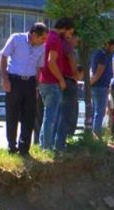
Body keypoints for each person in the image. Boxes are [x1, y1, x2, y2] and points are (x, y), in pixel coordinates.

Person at [0, 22, 48, 156]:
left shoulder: (42, 47)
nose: (44, 41)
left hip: (30, 82)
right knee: (12, 114)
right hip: (14, 80)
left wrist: (37, 87)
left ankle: (24, 148)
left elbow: (39, 67)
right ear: (33, 34)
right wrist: (5, 79)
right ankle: (11, 146)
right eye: (42, 38)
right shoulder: (16, 38)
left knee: (29, 115)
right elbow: (3, 56)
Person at [38, 17, 75, 150]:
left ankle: (44, 146)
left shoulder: (47, 37)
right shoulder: (54, 39)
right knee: (51, 118)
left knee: (48, 116)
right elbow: (50, 61)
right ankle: (46, 147)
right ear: (64, 29)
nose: (70, 36)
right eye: (70, 33)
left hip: (44, 81)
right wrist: (61, 79)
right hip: (52, 83)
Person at [54, 32, 80, 150]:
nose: (76, 43)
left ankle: (56, 142)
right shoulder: (68, 49)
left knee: (59, 114)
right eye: (76, 40)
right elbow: (71, 58)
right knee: (66, 115)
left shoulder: (59, 46)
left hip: (62, 82)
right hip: (68, 81)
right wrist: (75, 73)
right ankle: (60, 144)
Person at [90, 39, 114, 137]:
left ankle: (92, 134)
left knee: (95, 111)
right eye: (113, 47)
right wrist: (91, 83)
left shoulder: (97, 53)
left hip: (97, 86)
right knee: (100, 112)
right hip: (100, 86)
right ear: (107, 45)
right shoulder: (103, 55)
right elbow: (98, 72)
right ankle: (96, 134)